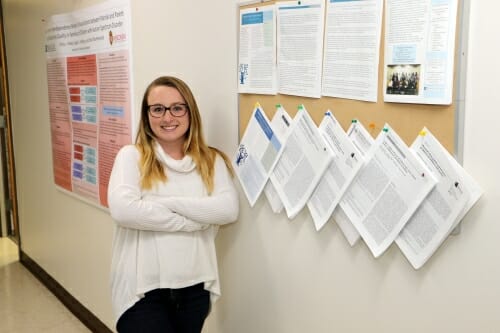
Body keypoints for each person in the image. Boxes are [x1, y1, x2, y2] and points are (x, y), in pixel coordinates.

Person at [107, 76, 239, 332]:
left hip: (194, 287)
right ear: (147, 116)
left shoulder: (211, 160)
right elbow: (124, 211)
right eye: (158, 109)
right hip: (142, 291)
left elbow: (228, 210)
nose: (168, 118)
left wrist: (163, 202)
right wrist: (196, 221)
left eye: (178, 108)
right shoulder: (131, 156)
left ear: (190, 112)